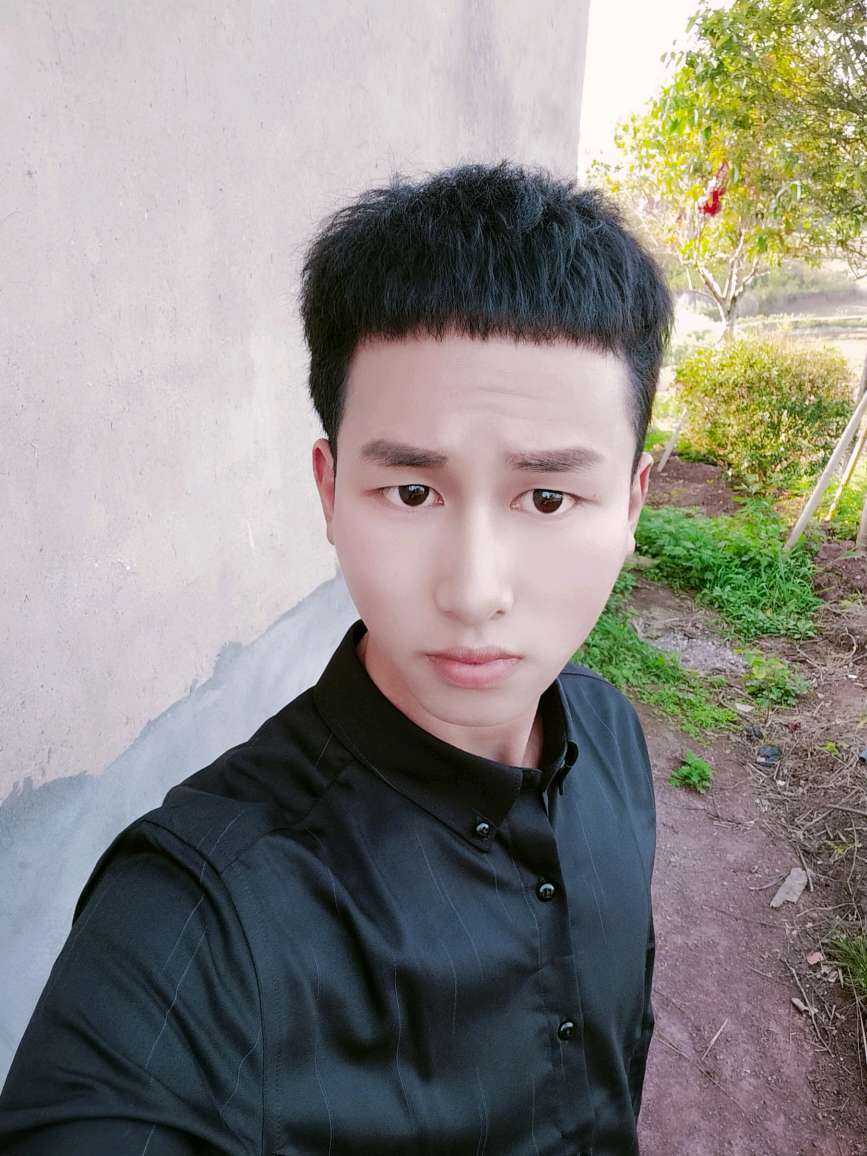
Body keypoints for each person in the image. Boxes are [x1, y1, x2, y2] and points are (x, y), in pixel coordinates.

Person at [0, 161, 672, 1154]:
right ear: (329, 492)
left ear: (631, 504)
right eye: (413, 492)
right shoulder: (199, 920)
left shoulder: (611, 734)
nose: (473, 590)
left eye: (546, 497)